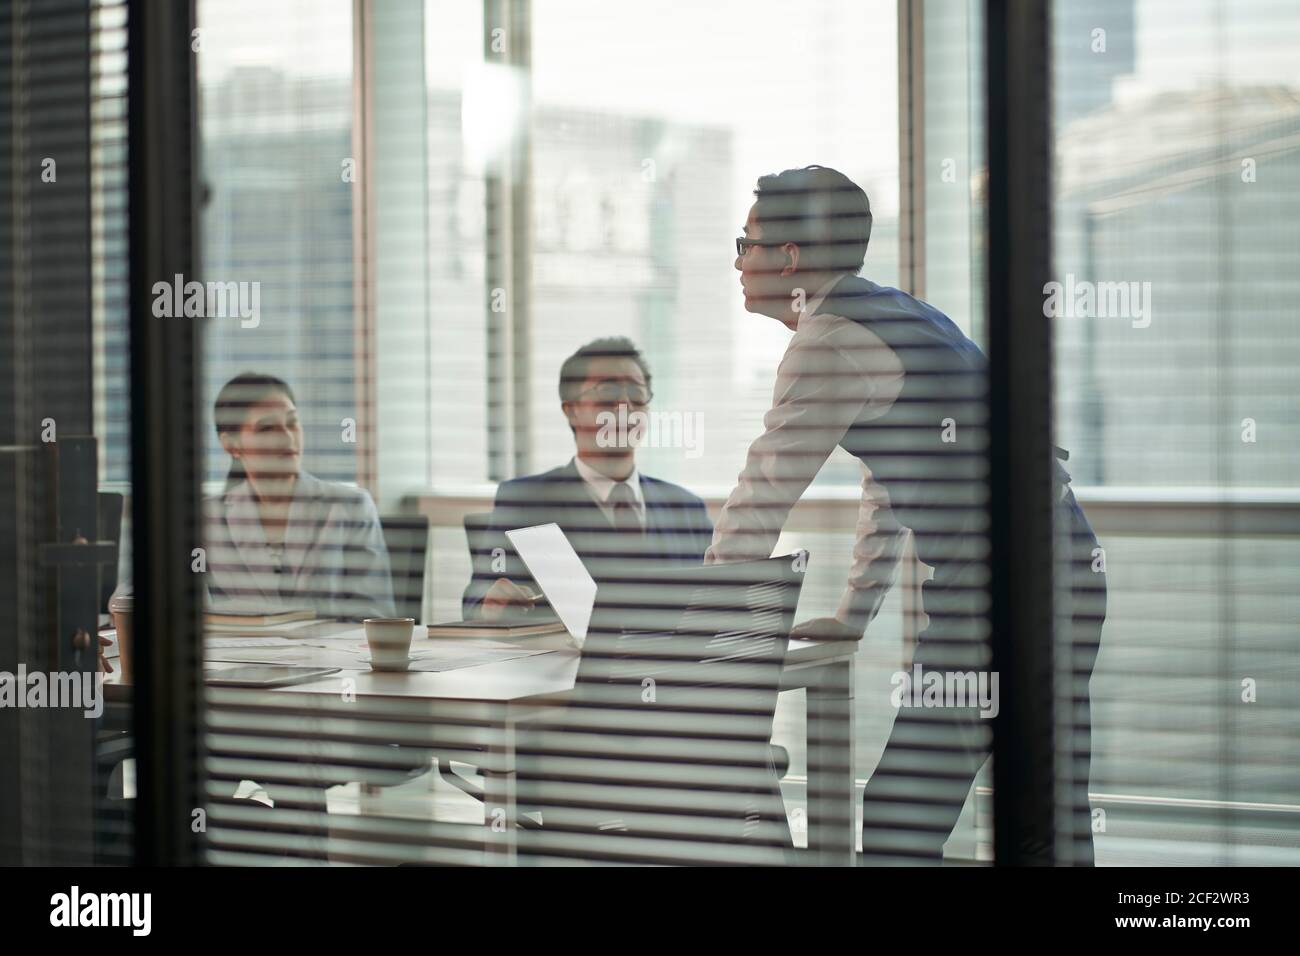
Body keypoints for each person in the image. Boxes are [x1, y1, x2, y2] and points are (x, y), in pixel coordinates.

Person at [706, 165, 1106, 864]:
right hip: (1063, 568)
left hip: (1005, 590)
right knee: (1047, 806)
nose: (738, 261)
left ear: (790, 258)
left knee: (902, 812)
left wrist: (699, 618)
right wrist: (853, 614)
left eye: (747, 243)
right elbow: (890, 480)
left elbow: (763, 488)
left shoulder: (828, 340)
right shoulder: (901, 312)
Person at [462, 337, 713, 619]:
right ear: (572, 410)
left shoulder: (687, 509)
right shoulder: (524, 500)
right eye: (608, 390)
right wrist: (491, 604)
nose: (625, 405)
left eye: (636, 392)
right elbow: (477, 599)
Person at [203, 371, 395, 621]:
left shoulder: (350, 507)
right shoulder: (208, 519)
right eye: (267, 428)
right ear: (231, 445)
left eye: (292, 422)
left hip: (326, 657)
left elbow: (375, 614)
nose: (287, 437)